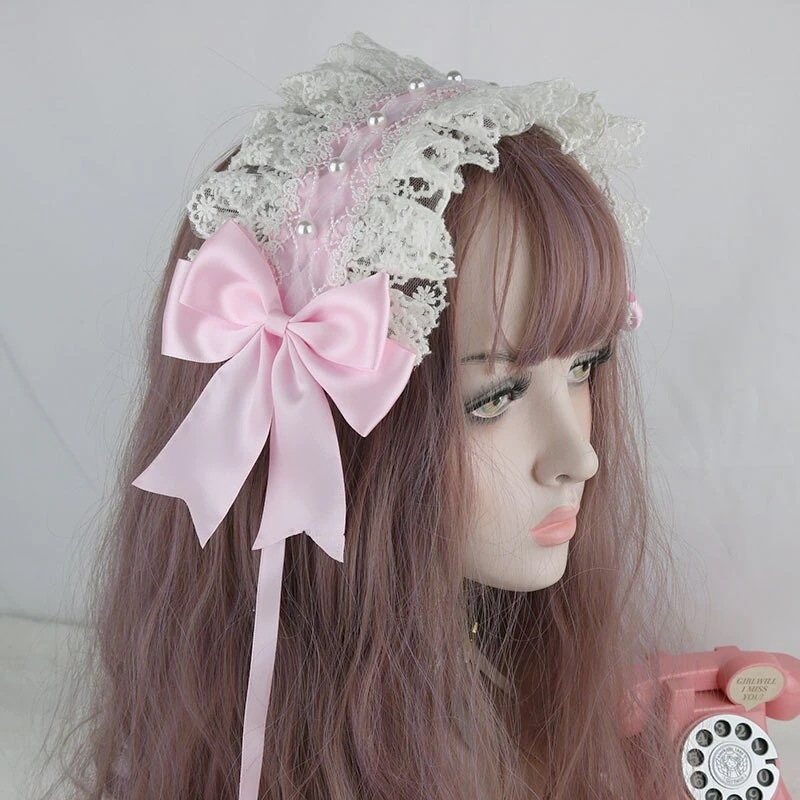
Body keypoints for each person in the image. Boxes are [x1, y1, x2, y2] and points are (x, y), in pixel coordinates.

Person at [39, 32, 690, 800]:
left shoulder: (523, 698)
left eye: (584, 367)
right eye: (493, 399)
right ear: (332, 441)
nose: (579, 457)